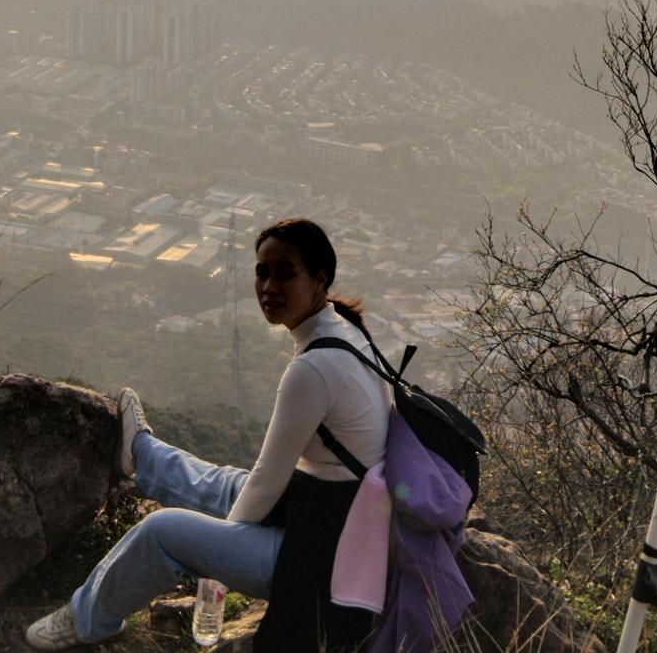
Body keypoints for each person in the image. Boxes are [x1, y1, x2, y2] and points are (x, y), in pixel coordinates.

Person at [25, 217, 391, 652]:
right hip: (333, 516)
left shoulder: (313, 369)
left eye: (285, 272)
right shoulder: (349, 332)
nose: (269, 285)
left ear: (319, 279)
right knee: (222, 481)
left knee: (163, 530)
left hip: (320, 558)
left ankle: (88, 622)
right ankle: (142, 454)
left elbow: (267, 479)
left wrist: (220, 554)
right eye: (262, 271)